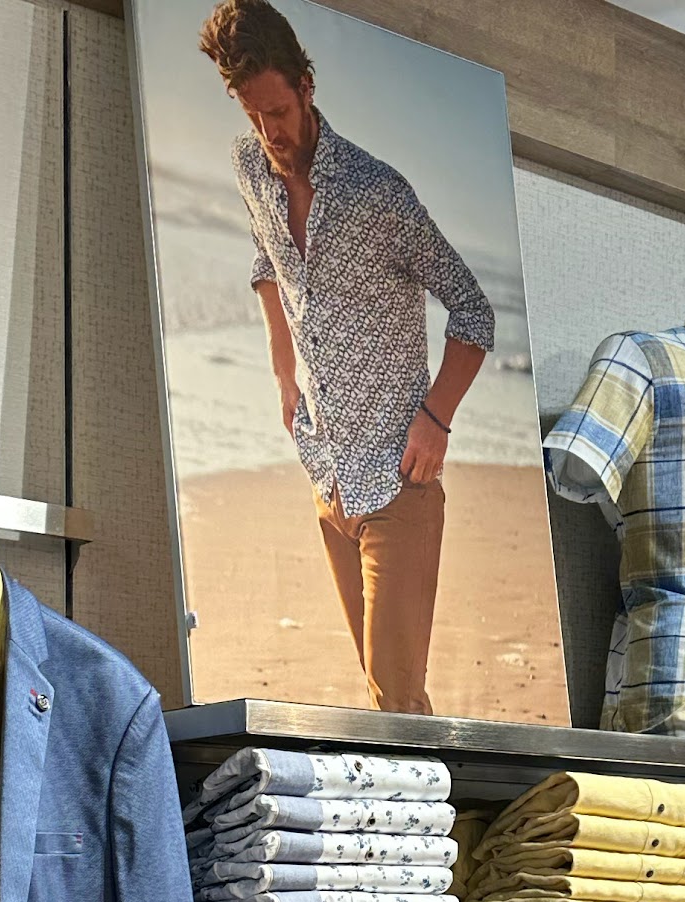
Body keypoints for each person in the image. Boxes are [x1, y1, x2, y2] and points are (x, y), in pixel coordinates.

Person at [201, 0, 495, 715]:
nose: (269, 132)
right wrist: (282, 370)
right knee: (389, 693)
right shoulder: (249, 166)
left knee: (395, 702)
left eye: (278, 111)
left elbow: (473, 310)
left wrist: (436, 419)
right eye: (253, 115)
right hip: (328, 476)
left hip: (398, 484)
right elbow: (265, 257)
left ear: (306, 86)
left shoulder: (377, 194)